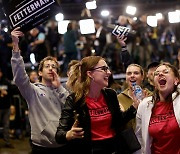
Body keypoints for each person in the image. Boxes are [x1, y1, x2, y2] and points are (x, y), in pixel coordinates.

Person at [55, 55, 140, 154]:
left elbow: (118, 121)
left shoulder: (110, 94)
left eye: (107, 69)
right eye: (104, 69)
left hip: (113, 149)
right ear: (90, 74)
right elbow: (59, 135)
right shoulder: (74, 100)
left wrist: (134, 107)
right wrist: (69, 134)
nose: (109, 72)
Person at [10, 27, 69, 154]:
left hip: (63, 145)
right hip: (40, 147)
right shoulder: (33, 91)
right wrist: (15, 45)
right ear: (40, 72)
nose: (51, 68)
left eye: (53, 67)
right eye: (47, 66)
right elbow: (20, 77)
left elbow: (71, 107)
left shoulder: (62, 90)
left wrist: (58, 87)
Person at [134, 62, 180, 154]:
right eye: (156, 73)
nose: (160, 74)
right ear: (154, 83)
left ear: (176, 80)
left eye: (166, 72)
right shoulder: (145, 105)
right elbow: (139, 138)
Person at [118, 64, 152, 130]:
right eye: (129, 73)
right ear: (126, 78)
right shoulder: (118, 98)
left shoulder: (151, 96)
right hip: (128, 138)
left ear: (142, 77)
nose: (132, 76)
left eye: (136, 73)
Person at [0, 68, 14, 148]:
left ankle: (7, 142)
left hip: (6, 107)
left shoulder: (6, 82)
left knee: (6, 125)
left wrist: (7, 93)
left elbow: (12, 92)